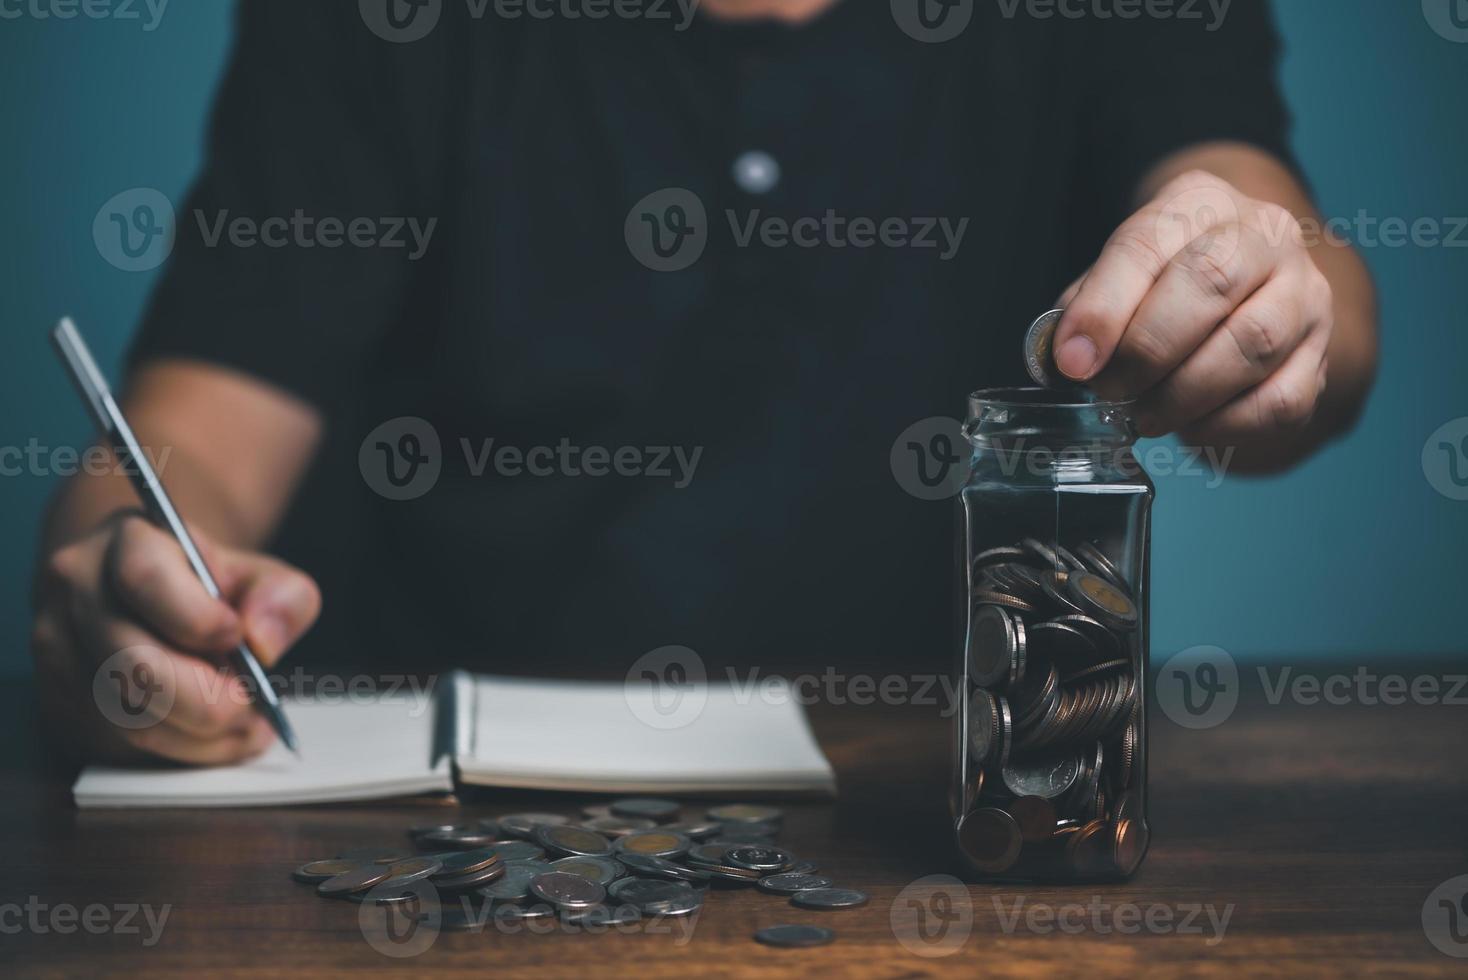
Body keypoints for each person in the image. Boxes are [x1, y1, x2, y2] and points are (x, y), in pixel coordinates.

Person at [31, 0, 1377, 765]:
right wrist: (127, 574)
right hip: (422, 796)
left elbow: (1273, 234)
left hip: (920, 802)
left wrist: (1270, 294)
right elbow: (193, 441)